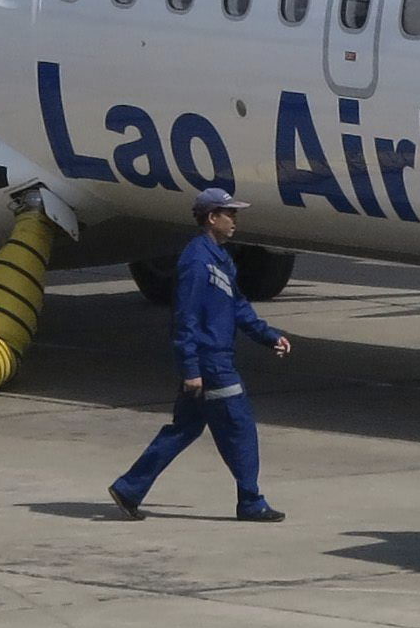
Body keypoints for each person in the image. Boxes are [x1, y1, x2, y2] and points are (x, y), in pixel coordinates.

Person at [111, 186, 293, 522]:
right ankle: (251, 501)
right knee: (240, 427)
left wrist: (269, 337)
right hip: (212, 364)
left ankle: (129, 488)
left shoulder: (220, 258)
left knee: (184, 429)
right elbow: (185, 319)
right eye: (230, 214)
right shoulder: (196, 262)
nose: (235, 221)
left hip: (213, 360)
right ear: (212, 218)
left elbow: (238, 306)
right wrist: (191, 368)